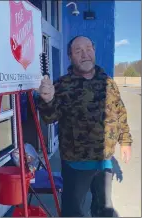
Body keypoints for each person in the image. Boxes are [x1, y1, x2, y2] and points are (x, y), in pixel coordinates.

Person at [37, 36, 132, 217]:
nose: (85, 54)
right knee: (73, 211)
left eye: (88, 48)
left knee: (103, 209)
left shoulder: (108, 82)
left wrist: (125, 140)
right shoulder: (62, 85)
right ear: (70, 56)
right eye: (78, 50)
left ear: (94, 51)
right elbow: (50, 118)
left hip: (104, 160)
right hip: (76, 164)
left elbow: (120, 111)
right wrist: (47, 100)